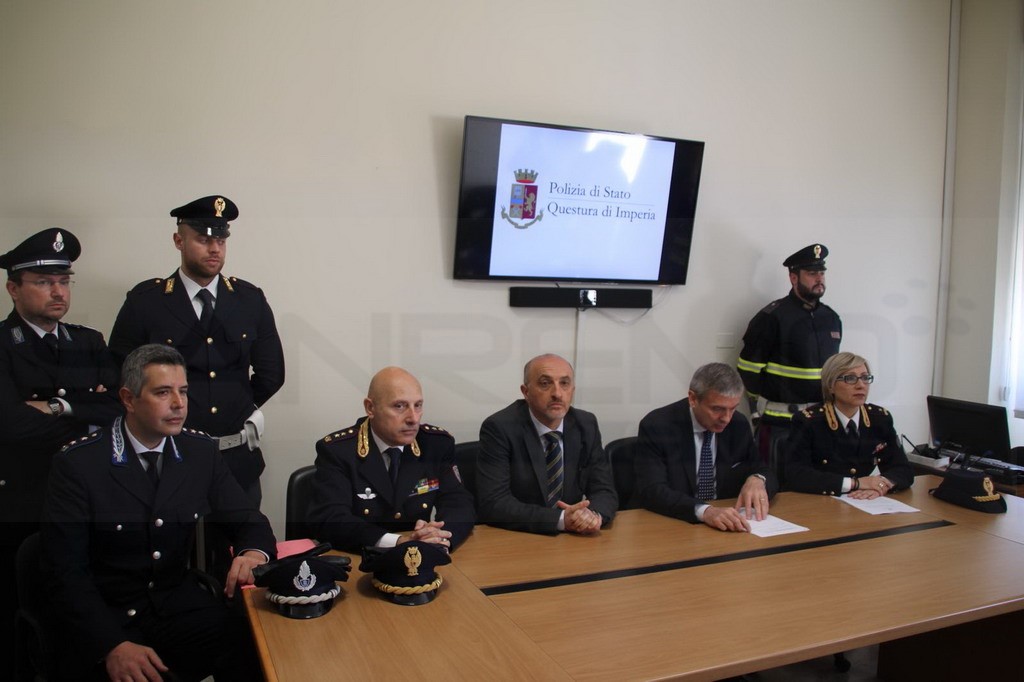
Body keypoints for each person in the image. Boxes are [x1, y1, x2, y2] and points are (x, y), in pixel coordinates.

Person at [41, 344, 276, 681]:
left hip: (176, 605)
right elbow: (65, 574)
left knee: (260, 649)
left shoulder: (199, 452)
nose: (179, 404)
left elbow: (248, 520)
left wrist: (252, 553)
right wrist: (111, 644)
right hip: (109, 618)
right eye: (163, 392)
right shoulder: (79, 464)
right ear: (128, 399)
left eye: (183, 391)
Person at [108, 195, 285, 508]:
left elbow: (272, 373)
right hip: (168, 455)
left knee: (243, 535)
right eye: (203, 239)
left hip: (235, 459)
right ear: (179, 241)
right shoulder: (146, 302)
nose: (214, 249)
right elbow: (118, 374)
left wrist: (237, 404)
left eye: (221, 240)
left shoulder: (249, 299)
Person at [0, 227, 120, 670]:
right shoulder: (2, 345)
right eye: (44, 282)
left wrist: (56, 406)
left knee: (87, 614)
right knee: (24, 619)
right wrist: (85, 416)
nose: (58, 291)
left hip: (89, 499)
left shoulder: (88, 341)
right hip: (24, 501)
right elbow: (10, 425)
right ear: (13, 289)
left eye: (64, 281)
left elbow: (120, 409)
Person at [308, 366, 475, 553]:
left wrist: (439, 538)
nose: (413, 419)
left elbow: (459, 503)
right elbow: (331, 519)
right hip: (364, 558)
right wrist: (398, 542)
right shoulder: (339, 451)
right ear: (370, 408)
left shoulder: (435, 444)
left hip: (420, 558)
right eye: (399, 406)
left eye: (418, 405)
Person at [477, 353, 618, 535]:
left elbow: (604, 489)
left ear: (573, 390)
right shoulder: (500, 427)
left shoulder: (585, 424)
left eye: (564, 383)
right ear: (526, 392)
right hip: (519, 536)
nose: (557, 393)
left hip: (574, 538)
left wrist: (592, 516)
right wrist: (561, 520)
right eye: (545, 383)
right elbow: (494, 503)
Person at [635, 363, 778, 532]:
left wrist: (758, 479)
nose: (726, 418)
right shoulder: (658, 426)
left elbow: (763, 469)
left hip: (726, 525)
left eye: (733, 408)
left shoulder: (737, 424)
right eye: (717, 409)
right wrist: (704, 511)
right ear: (693, 399)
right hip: (673, 525)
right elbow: (652, 491)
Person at [737, 244, 842, 468]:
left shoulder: (831, 318)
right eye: (811, 274)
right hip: (780, 423)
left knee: (818, 484)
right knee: (775, 483)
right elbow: (748, 369)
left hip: (821, 421)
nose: (819, 279)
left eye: (821, 273)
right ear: (794, 278)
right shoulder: (772, 317)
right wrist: (760, 402)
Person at [784, 352, 913, 497]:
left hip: (864, 503)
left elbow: (903, 469)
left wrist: (881, 484)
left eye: (865, 378)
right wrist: (854, 483)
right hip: (820, 501)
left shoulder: (880, 419)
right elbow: (796, 474)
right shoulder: (809, 421)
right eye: (850, 378)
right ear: (830, 385)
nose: (861, 385)